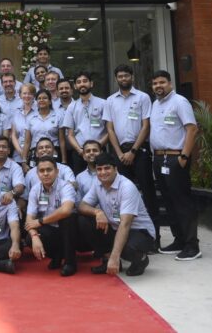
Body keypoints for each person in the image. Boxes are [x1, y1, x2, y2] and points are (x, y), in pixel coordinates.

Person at [149, 70, 201, 260]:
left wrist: (184, 156)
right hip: (159, 159)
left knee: (182, 202)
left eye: (162, 82)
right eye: (155, 83)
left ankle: (192, 246)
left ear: (170, 83)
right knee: (169, 202)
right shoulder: (155, 105)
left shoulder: (180, 101)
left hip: (175, 158)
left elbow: (192, 129)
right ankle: (179, 240)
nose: (158, 86)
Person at [78, 152, 156, 277]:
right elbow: (82, 206)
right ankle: (107, 258)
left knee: (127, 249)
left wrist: (115, 257)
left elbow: (125, 224)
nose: (103, 172)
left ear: (115, 169)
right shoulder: (97, 183)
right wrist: (97, 212)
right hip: (114, 227)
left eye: (107, 168)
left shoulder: (127, 187)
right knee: (83, 220)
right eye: (99, 169)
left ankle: (141, 259)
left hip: (139, 230)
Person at [105, 64, 159, 235]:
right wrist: (119, 153)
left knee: (148, 192)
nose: (123, 79)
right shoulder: (110, 100)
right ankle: (127, 234)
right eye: (120, 76)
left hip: (139, 151)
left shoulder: (143, 97)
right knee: (122, 194)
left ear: (132, 77)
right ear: (116, 79)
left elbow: (146, 126)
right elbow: (110, 129)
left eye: (126, 76)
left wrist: (133, 151)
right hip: (120, 153)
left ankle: (154, 235)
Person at [26, 156, 78, 276]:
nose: (45, 173)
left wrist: (40, 221)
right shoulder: (35, 190)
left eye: (49, 170)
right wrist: (34, 236)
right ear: (37, 174)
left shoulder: (66, 186)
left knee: (68, 219)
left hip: (69, 230)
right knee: (29, 238)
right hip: (51, 230)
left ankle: (70, 262)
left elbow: (66, 210)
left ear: (57, 171)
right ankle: (57, 256)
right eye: (41, 171)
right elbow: (29, 218)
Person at [63, 72, 108, 173]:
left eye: (85, 81)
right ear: (75, 86)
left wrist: (98, 147)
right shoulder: (71, 107)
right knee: (80, 179)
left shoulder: (103, 103)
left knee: (103, 177)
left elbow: (110, 130)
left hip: (100, 151)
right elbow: (70, 135)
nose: (82, 84)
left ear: (91, 83)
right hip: (79, 152)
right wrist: (80, 150)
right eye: (79, 82)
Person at [26, 89, 63, 163]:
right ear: (36, 101)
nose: (41, 100)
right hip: (36, 152)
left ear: (50, 101)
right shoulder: (30, 117)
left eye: (45, 98)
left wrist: (64, 159)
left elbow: (62, 140)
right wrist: (24, 160)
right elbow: (27, 142)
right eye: (39, 98)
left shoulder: (58, 116)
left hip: (53, 151)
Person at [10, 83, 37, 164]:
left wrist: (26, 153)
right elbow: (13, 135)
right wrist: (21, 152)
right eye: (24, 93)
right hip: (18, 155)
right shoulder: (16, 112)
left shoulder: (38, 111)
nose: (27, 96)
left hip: (34, 152)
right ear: (20, 95)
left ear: (34, 95)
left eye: (30, 93)